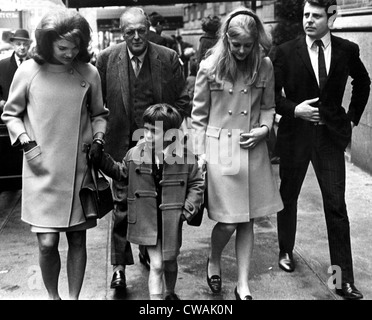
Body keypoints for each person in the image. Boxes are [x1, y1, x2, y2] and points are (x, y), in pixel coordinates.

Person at [1, 9, 108, 300]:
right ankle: (53, 296)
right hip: (40, 167)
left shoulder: (89, 72)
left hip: (78, 168)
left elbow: (100, 114)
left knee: (77, 237)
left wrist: (98, 138)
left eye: (76, 47)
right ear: (47, 42)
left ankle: (72, 298)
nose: (70, 53)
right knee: (47, 243)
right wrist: (26, 142)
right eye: (63, 47)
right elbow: (11, 114)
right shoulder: (28, 71)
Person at [272, 0, 370, 300]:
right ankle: (286, 250)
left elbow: (363, 82)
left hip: (329, 138)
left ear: (332, 16)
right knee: (288, 198)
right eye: (305, 15)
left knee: (336, 207)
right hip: (294, 137)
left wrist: (351, 118)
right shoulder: (286, 51)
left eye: (315, 16)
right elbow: (271, 96)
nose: (309, 21)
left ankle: (341, 279)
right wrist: (294, 110)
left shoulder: (346, 50)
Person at [95, 7, 190, 292]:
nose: (136, 37)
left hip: (160, 146)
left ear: (148, 27)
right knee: (122, 207)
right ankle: (119, 268)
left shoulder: (168, 57)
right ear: (120, 32)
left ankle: (150, 249)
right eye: (129, 32)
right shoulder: (106, 59)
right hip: (122, 146)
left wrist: (166, 132)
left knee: (156, 204)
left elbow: (183, 100)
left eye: (141, 30)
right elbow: (97, 105)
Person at [191, 7, 283, 300]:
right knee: (229, 220)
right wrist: (200, 154)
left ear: (256, 41)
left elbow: (269, 106)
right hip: (221, 151)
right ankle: (214, 256)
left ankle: (243, 283)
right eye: (236, 45)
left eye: (248, 45)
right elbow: (198, 117)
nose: (242, 51)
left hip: (252, 148)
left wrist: (265, 129)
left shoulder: (264, 65)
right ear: (226, 41)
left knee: (248, 219)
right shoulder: (209, 67)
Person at [97, 103, 204, 300]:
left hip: (171, 221)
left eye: (153, 132)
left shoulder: (184, 157)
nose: (147, 135)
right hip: (148, 220)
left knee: (170, 261)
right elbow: (121, 172)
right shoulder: (135, 153)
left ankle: (170, 293)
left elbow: (197, 182)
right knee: (157, 265)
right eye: (145, 129)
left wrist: (187, 209)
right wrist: (101, 159)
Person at [0, 29, 32, 114]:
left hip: (28, 113)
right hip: (7, 112)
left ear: (29, 46)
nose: (22, 47)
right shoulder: (2, 65)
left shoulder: (35, 65)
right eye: (18, 44)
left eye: (25, 44)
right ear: (13, 45)